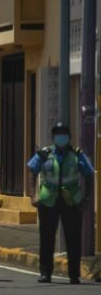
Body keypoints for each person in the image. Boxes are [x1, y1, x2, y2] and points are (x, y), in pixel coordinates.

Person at [26, 122, 94, 285]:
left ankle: (73, 275)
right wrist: (32, 195)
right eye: (58, 133)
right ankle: (45, 273)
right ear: (53, 137)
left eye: (64, 133)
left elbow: (89, 174)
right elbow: (31, 171)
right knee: (46, 238)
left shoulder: (77, 155)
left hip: (72, 201)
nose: (61, 136)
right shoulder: (45, 153)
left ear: (69, 137)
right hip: (48, 200)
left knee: (73, 239)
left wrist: (86, 199)